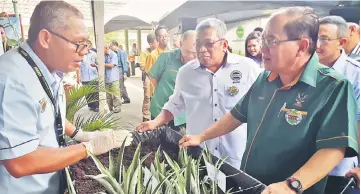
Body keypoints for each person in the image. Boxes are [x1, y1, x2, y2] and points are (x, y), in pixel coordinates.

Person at [179, 7, 358, 194]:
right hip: (252, 184)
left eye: (271, 41)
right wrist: (202, 136)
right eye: (263, 39)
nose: (263, 48)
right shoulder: (265, 78)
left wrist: (292, 185)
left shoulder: (332, 86)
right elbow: (236, 115)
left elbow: (334, 148)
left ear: (302, 46)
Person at [0, 1, 130, 194]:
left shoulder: (49, 69)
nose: (85, 53)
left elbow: (49, 113)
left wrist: (79, 134)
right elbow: (19, 161)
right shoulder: (13, 80)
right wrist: (88, 148)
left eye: (87, 45)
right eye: (79, 44)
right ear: (46, 38)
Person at [137, 18, 261, 168]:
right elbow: (175, 104)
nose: (202, 49)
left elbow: (261, 107)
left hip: (236, 156)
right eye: (198, 44)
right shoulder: (186, 72)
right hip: (200, 154)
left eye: (209, 43)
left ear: (224, 44)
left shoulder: (248, 68)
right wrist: (154, 122)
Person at [316, 15, 360, 194]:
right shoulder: (302, 69)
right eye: (314, 38)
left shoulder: (355, 75)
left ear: (341, 42)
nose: (317, 44)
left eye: (324, 39)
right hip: (302, 166)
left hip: (340, 170)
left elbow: (358, 122)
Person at [146, 30, 197, 133]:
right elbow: (153, 79)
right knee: (158, 144)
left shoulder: (201, 63)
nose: (191, 57)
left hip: (183, 116)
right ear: (181, 44)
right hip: (160, 110)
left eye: (195, 53)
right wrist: (168, 91)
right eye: (187, 52)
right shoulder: (166, 57)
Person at [145, 25, 169, 96]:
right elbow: (150, 79)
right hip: (158, 94)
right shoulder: (152, 56)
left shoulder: (173, 54)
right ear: (157, 39)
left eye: (166, 35)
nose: (164, 38)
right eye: (161, 36)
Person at [139, 32, 159, 121]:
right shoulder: (145, 53)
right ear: (151, 43)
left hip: (159, 77)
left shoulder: (161, 51)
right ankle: (146, 116)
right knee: (148, 97)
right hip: (148, 77)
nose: (158, 43)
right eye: (156, 41)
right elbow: (143, 66)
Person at [80, 42, 99, 112]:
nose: (87, 47)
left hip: (94, 75)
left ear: (90, 46)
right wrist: (78, 77)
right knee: (87, 92)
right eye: (85, 46)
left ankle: (96, 106)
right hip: (85, 76)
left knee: (95, 91)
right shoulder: (81, 54)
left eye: (88, 46)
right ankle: (90, 105)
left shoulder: (94, 54)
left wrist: (96, 66)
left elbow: (98, 63)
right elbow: (78, 66)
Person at [104, 45, 122, 113]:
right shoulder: (102, 55)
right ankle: (110, 107)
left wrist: (101, 64)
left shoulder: (113, 54)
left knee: (115, 94)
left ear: (106, 48)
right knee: (108, 95)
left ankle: (117, 107)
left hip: (113, 78)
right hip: (106, 78)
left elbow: (112, 65)